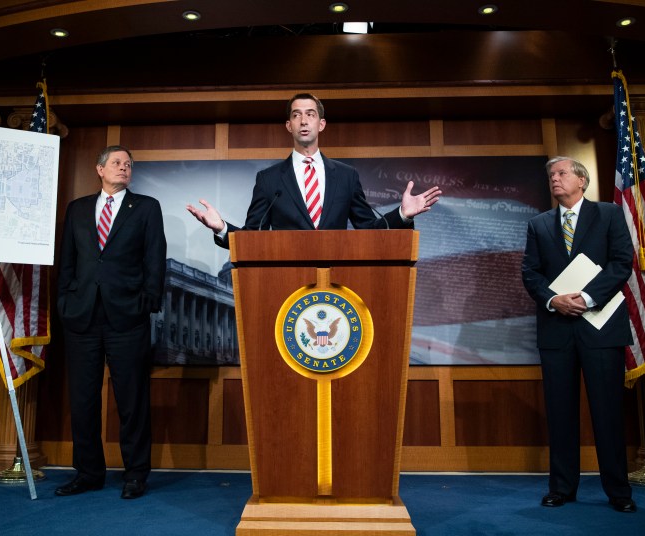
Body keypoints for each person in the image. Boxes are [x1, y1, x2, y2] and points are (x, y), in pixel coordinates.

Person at [521, 156, 636, 513]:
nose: (554, 179)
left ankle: (618, 492)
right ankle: (562, 488)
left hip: (601, 328)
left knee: (608, 413)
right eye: (550, 176)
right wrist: (554, 299)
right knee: (560, 414)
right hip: (557, 331)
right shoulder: (538, 224)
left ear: (581, 181)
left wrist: (585, 298)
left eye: (561, 173)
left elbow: (621, 261)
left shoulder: (609, 214)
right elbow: (530, 272)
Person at [56, 145, 167, 500]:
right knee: (83, 400)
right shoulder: (77, 209)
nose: (124, 168)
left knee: (132, 400)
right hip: (82, 317)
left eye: (129, 164)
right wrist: (64, 303)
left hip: (127, 317)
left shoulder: (147, 208)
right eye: (117, 163)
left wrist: (146, 303)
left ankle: (136, 474)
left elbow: (155, 258)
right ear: (100, 169)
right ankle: (88, 473)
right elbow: (67, 263)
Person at [186, 93, 441, 243]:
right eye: (296, 115)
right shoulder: (268, 180)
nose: (303, 120)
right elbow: (253, 239)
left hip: (337, 280)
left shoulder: (346, 176)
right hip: (288, 281)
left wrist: (403, 214)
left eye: (310, 114)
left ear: (321, 124)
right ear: (289, 126)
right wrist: (222, 228)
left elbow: (369, 231)